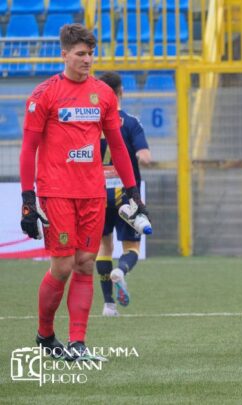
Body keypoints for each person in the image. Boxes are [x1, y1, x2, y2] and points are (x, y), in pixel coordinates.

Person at [20, 24, 147, 360]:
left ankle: (78, 344)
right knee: (62, 266)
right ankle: (46, 336)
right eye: (80, 54)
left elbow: (118, 146)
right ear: (64, 54)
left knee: (87, 264)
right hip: (57, 192)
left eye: (91, 54)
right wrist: (27, 198)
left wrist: (132, 191)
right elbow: (28, 148)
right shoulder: (44, 94)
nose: (87, 60)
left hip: (93, 193)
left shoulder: (103, 94)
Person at [95, 72, 152, 317]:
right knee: (132, 247)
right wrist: (143, 157)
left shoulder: (91, 123)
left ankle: (108, 305)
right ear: (121, 92)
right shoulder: (130, 122)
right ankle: (122, 271)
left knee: (103, 247)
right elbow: (144, 155)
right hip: (126, 196)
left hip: (96, 193)